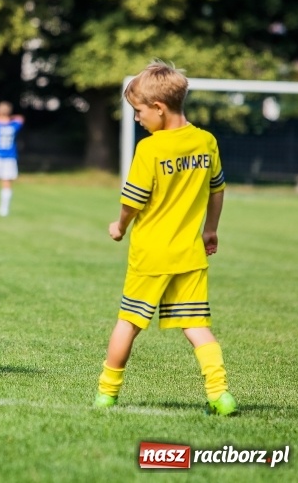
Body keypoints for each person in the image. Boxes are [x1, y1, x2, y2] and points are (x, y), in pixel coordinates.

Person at [94, 60, 236, 416]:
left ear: (159, 108)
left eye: (139, 112)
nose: (137, 119)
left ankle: (106, 393)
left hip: (151, 255)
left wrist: (120, 226)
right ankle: (220, 394)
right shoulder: (206, 141)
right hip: (189, 254)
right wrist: (211, 229)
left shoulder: (151, 149)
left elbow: (133, 200)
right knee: (197, 326)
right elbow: (217, 190)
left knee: (128, 322)